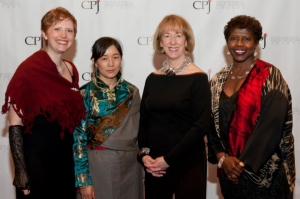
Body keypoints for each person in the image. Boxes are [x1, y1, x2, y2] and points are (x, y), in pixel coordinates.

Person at [2, 7, 86, 199]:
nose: (63, 35)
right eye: (57, 29)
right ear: (44, 34)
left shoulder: (71, 69)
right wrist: (22, 172)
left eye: (69, 30)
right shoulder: (28, 69)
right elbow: (15, 125)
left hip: (65, 161)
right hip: (37, 162)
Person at [208, 15, 295, 199]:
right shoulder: (218, 79)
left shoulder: (270, 75)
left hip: (266, 177)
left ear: (256, 43)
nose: (239, 44)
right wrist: (222, 158)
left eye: (246, 39)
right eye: (234, 38)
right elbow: (211, 124)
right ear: (227, 42)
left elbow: (270, 128)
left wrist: (239, 166)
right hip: (229, 174)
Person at [138, 15, 211, 199]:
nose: (172, 41)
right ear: (160, 42)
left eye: (178, 35)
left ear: (186, 41)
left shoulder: (198, 78)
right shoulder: (152, 78)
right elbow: (144, 124)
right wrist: (144, 156)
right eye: (167, 36)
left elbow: (200, 126)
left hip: (188, 163)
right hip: (155, 165)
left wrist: (168, 160)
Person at [73, 37, 143, 199]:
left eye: (115, 57)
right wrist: (84, 182)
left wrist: (143, 172)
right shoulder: (84, 93)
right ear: (94, 61)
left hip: (131, 166)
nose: (111, 64)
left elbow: (139, 134)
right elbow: (78, 140)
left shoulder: (132, 92)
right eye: (104, 58)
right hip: (99, 166)